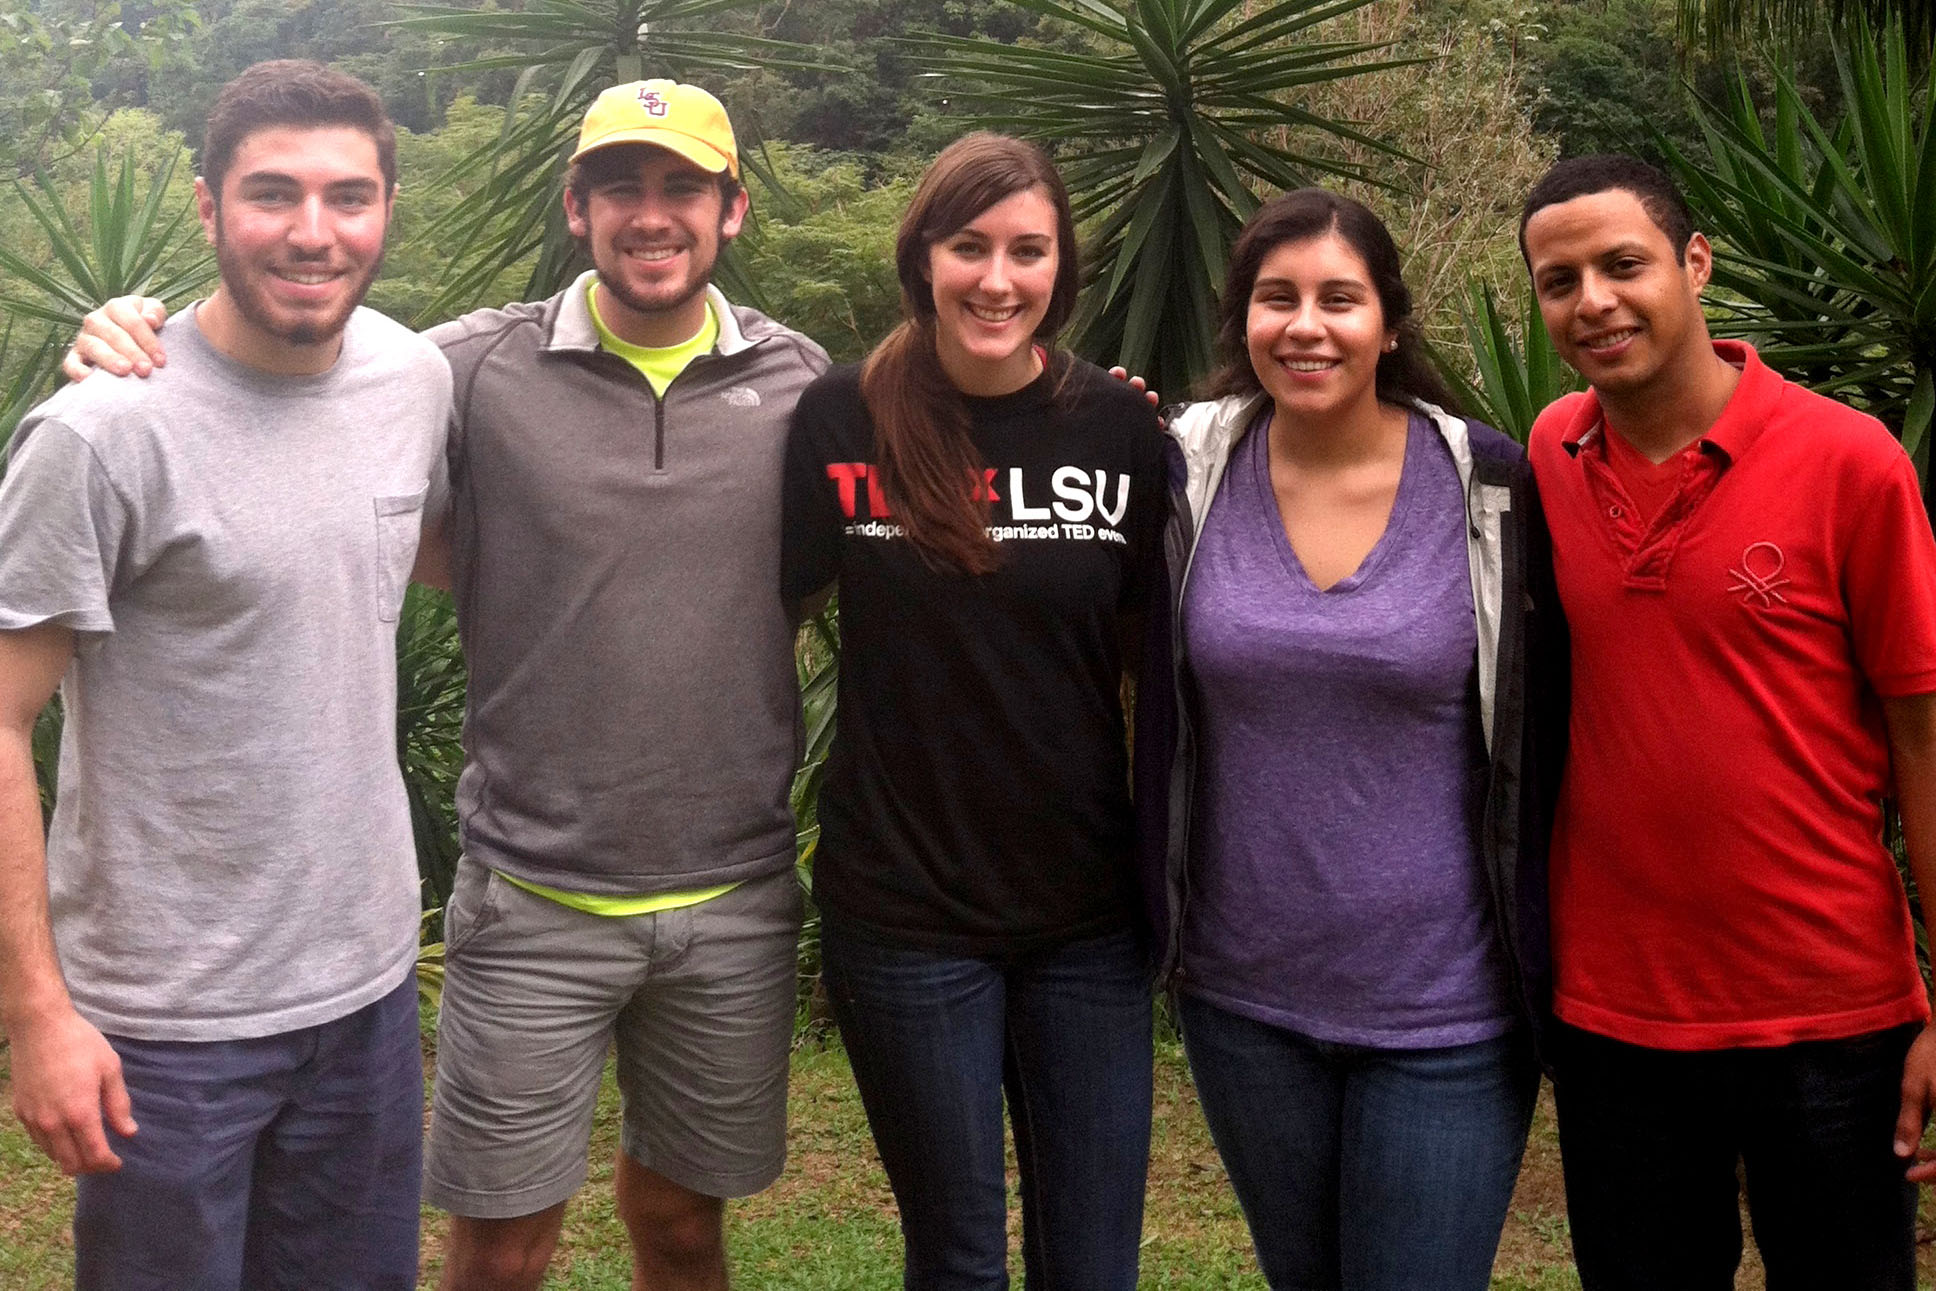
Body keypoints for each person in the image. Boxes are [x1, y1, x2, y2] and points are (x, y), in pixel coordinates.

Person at [61, 79, 829, 1291]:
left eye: (682, 186)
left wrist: (1117, 421)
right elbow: (296, 410)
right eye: (620, 187)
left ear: (731, 211)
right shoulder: (460, 369)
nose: (651, 214)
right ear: (575, 208)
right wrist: (126, 331)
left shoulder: (805, 386)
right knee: (500, 1251)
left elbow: (927, 490)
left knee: (685, 1227)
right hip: (531, 895)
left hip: (733, 895)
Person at [0, 60, 449, 1289]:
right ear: (207, 208)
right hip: (165, 1023)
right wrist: (37, 1014)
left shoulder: (415, 381)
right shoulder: (103, 432)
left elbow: (456, 559)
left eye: (349, 196)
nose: (314, 232)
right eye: (273, 194)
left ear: (388, 207)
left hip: (364, 989)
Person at [1520, 153, 1936, 1290]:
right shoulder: (1548, 457)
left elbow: (1923, 743)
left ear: (1694, 263)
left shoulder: (1851, 462)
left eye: (1622, 265)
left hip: (1830, 1016)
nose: (1592, 301)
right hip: (1615, 1017)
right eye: (1559, 282)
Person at [1132, 187, 1556, 1291]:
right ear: (1241, 320)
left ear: (1389, 322)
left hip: (1447, 1010)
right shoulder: (1181, 471)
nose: (1305, 325)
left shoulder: (1491, 487)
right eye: (1276, 298)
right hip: (1242, 999)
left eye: (1338, 298)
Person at [780, 132, 1167, 1289]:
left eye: (1027, 250)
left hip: (1088, 915)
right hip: (904, 912)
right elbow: (769, 612)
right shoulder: (840, 416)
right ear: (923, 257)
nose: (997, 278)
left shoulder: (1119, 427)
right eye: (969, 247)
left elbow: (1166, 654)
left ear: (1061, 269)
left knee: (1091, 1258)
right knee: (956, 1253)